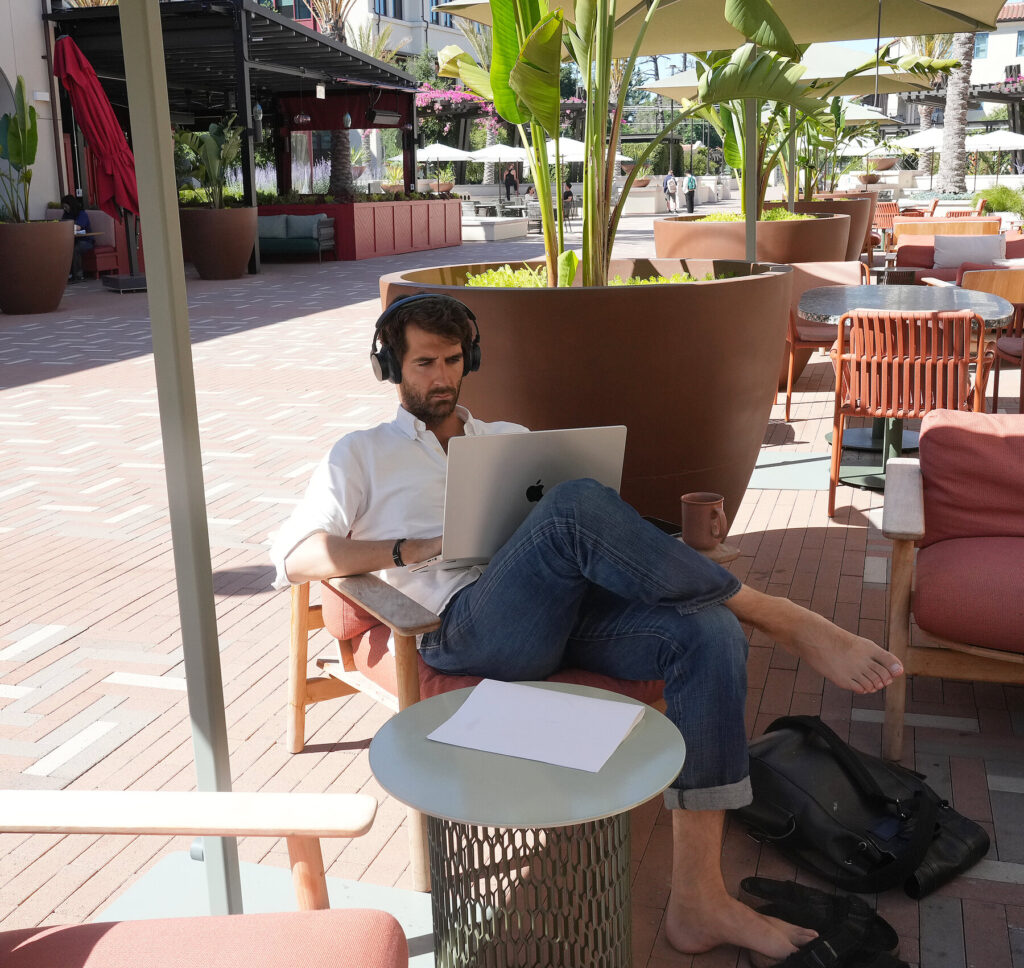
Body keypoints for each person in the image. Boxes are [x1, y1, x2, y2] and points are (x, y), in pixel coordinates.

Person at [271, 294, 904, 965]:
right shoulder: (361, 455)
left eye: (453, 360)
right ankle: (779, 615)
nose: (442, 376)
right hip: (461, 625)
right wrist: (408, 549)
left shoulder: (508, 440)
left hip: (558, 611)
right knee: (572, 505)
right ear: (391, 367)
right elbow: (295, 556)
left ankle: (699, 899)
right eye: (424, 362)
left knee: (709, 633)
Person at [61, 194, 93, 281]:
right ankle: (67, 274)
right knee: (62, 248)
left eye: (65, 206)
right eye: (63, 207)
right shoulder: (66, 214)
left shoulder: (82, 214)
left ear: (71, 205)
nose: (64, 209)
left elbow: (78, 227)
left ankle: (78, 275)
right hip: (73, 240)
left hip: (86, 241)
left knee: (76, 249)